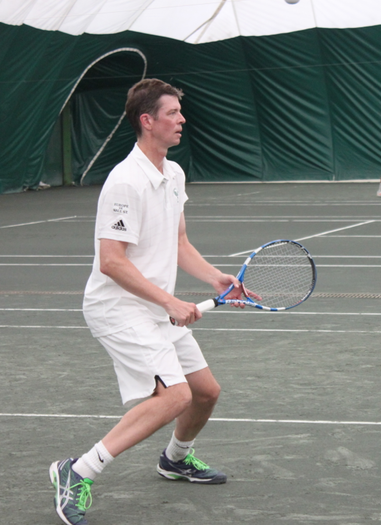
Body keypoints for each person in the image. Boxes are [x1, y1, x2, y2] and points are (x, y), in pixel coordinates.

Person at [49, 78, 244, 525]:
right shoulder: (124, 182)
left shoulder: (172, 174)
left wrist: (217, 279)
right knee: (175, 396)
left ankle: (175, 458)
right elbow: (111, 262)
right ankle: (77, 470)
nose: (182, 120)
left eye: (179, 112)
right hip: (118, 308)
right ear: (147, 120)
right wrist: (171, 302)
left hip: (155, 306)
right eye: (173, 113)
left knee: (205, 393)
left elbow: (178, 241)